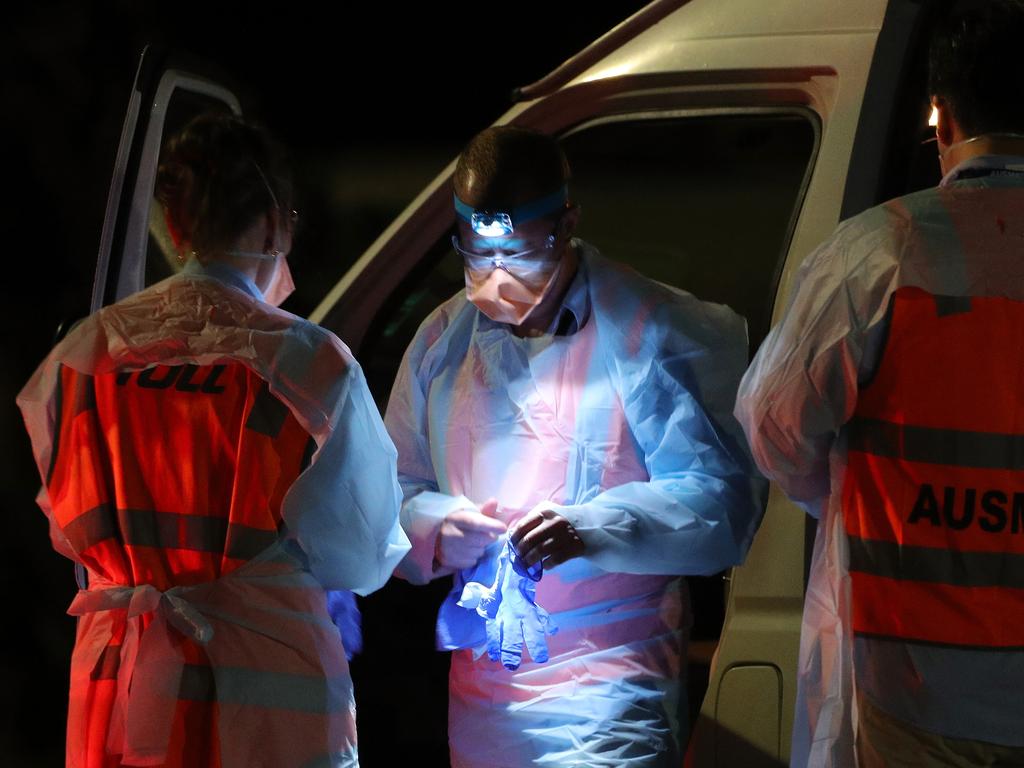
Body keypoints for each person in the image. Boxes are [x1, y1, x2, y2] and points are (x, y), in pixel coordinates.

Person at [16, 111, 410, 768]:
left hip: (125, 687)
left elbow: (69, 532)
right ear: (277, 223)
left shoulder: (81, 354)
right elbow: (362, 553)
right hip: (270, 712)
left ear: (172, 227)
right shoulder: (306, 362)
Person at [385, 125, 765, 767]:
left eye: (520, 252)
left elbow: (720, 505)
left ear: (566, 225)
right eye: (479, 252)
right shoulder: (442, 344)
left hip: (612, 686)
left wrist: (591, 527)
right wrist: (433, 528)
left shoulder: (647, 331)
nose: (498, 274)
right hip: (489, 695)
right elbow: (389, 493)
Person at [734, 2, 1024, 766]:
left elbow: (775, 428)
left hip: (913, 684)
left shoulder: (879, 254)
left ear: (943, 115)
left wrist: (842, 489)